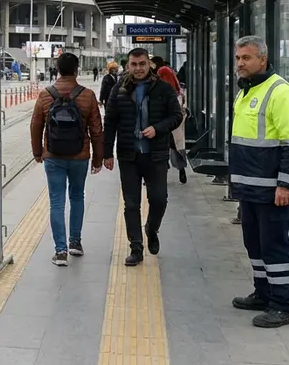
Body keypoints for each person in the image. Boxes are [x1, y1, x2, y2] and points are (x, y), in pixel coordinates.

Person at [229, 35, 289, 328]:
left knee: (274, 246)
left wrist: (286, 184)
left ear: (263, 59)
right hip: (250, 186)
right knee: (254, 243)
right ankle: (262, 294)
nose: (240, 63)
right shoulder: (246, 91)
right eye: (238, 58)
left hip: (272, 188)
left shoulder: (280, 92)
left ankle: (281, 305)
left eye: (246, 58)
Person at [103, 48, 183, 266]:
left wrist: (157, 128)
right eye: (134, 64)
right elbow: (109, 122)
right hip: (128, 155)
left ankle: (152, 228)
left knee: (159, 199)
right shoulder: (119, 90)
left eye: (142, 64)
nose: (138, 69)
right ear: (128, 66)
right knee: (131, 203)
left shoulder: (163, 89)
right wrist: (107, 152)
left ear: (149, 65)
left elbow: (177, 116)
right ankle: (136, 247)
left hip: (155, 155)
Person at [30, 52, 103, 265]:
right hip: (80, 156)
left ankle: (60, 251)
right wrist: (98, 158)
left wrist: (37, 152)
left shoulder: (46, 94)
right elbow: (97, 130)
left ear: (58, 69)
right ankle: (75, 243)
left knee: (56, 201)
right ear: (77, 70)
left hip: (53, 155)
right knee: (77, 196)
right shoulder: (87, 95)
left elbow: (35, 126)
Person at [157, 66, 191, 184]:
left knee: (162, 149)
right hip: (176, 126)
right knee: (177, 148)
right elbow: (183, 109)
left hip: (163, 125)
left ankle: (162, 172)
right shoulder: (179, 91)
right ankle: (181, 169)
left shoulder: (161, 90)